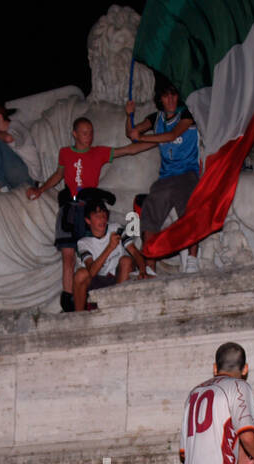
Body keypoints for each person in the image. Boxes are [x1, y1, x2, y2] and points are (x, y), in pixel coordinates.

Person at [26, 116, 148, 312]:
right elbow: (59, 174)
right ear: (74, 134)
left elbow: (127, 150)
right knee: (68, 255)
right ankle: (68, 299)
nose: (88, 136)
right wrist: (41, 189)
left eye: (91, 132)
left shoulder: (98, 152)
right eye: (84, 133)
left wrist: (154, 141)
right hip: (70, 207)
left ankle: (102, 293)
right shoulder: (65, 153)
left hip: (89, 207)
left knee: (95, 248)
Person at [125, 81, 200, 273]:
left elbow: (172, 135)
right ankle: (150, 263)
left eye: (174, 95)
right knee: (149, 215)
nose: (171, 100)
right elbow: (132, 133)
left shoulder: (187, 114)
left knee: (189, 211)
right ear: (160, 99)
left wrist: (141, 137)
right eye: (166, 96)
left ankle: (192, 259)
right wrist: (129, 116)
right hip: (166, 176)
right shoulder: (155, 118)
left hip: (187, 174)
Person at [73, 201, 146, 312]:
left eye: (103, 215)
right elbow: (91, 272)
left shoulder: (116, 229)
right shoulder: (83, 243)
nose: (102, 219)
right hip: (97, 281)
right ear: (88, 220)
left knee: (126, 260)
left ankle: (119, 308)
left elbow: (135, 252)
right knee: (81, 274)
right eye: (97, 216)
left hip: (119, 277)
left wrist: (143, 271)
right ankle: (78, 317)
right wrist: (110, 247)